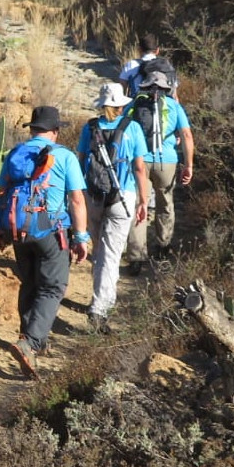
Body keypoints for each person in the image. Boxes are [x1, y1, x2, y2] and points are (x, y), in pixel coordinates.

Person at [0, 106, 90, 379]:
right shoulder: (64, 156)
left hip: (18, 228)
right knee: (52, 287)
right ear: (55, 131)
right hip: (50, 229)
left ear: (33, 129)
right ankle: (31, 343)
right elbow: (76, 200)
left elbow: (2, 191)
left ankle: (29, 338)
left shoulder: (15, 153)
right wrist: (81, 237)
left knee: (30, 282)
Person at [76, 83, 150, 333]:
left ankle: (99, 298)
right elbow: (139, 168)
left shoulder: (90, 128)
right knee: (111, 254)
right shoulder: (133, 128)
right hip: (122, 196)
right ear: (120, 106)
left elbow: (81, 161)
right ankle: (99, 309)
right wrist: (143, 200)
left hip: (93, 195)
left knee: (100, 250)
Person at [124, 70, 194, 276]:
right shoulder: (174, 106)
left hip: (140, 160)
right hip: (167, 161)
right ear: (166, 88)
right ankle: (163, 246)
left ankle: (136, 257)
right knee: (165, 202)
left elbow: (121, 129)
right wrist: (189, 164)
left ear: (144, 86)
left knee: (139, 204)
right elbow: (187, 135)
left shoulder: (135, 104)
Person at [119, 32, 177, 98]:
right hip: (164, 102)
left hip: (139, 101)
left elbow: (121, 90)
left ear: (139, 50)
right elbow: (174, 96)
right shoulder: (167, 65)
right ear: (157, 50)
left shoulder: (131, 64)